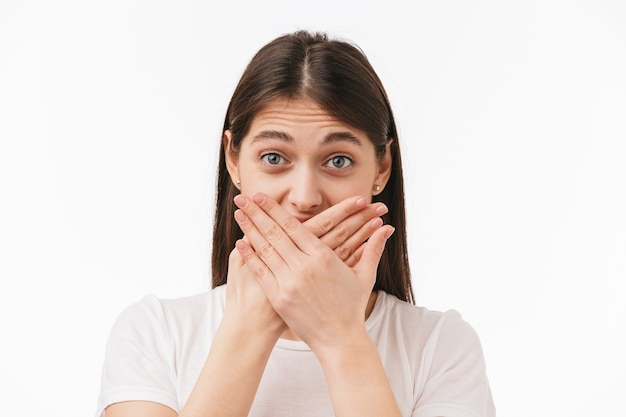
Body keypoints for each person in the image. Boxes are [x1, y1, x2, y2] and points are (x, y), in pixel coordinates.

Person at [95, 30, 496, 417]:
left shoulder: (442, 347)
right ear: (233, 161)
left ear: (382, 167)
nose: (305, 198)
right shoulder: (154, 334)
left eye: (338, 160)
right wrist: (250, 327)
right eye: (274, 158)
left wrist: (341, 337)